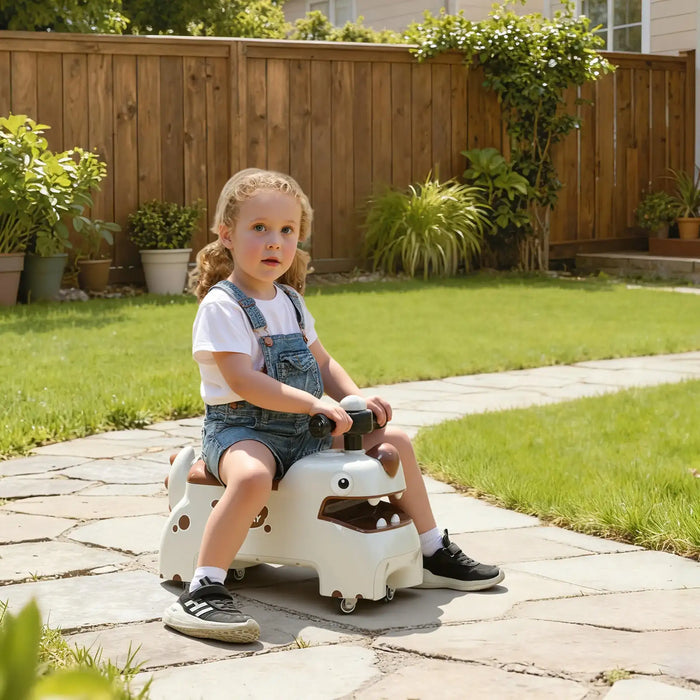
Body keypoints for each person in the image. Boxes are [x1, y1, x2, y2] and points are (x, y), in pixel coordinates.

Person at [162, 168, 504, 642]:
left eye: (286, 231)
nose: (273, 242)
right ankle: (204, 588)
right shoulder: (223, 306)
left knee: (398, 443)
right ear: (227, 235)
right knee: (254, 475)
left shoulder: (292, 302)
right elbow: (243, 380)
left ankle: (430, 550)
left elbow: (323, 361)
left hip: (304, 430)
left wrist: (353, 397)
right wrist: (311, 404)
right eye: (258, 228)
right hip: (242, 431)